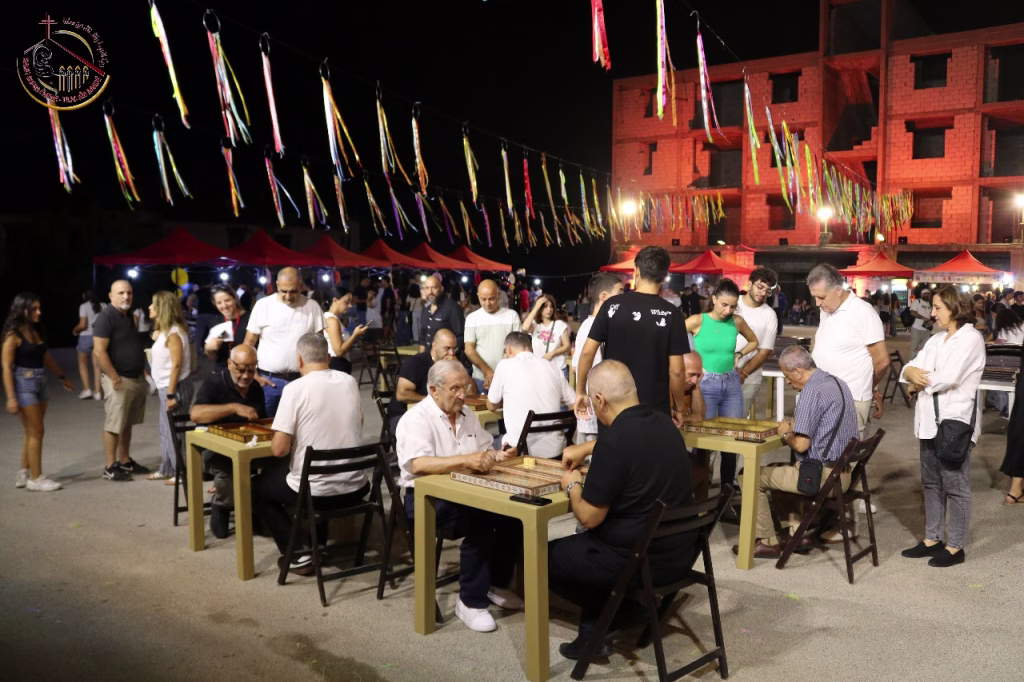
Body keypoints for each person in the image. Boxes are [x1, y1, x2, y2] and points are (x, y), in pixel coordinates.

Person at [550, 360, 696, 659]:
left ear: (600, 400)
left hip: (639, 562)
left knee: (541, 557)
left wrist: (572, 484)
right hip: (680, 553)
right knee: (589, 545)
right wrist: (589, 448)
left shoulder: (615, 441)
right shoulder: (665, 424)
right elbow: (631, 449)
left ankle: (619, 611)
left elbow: (589, 518)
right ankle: (598, 628)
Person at [396, 359, 523, 633]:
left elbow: (484, 449)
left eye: (464, 387)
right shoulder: (416, 419)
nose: (462, 395)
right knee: (482, 519)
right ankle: (469, 602)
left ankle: (494, 584)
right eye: (454, 389)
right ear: (433, 389)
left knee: (514, 515)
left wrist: (498, 454)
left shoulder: (467, 415)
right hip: (424, 500)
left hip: (465, 492)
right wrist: (466, 460)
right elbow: (418, 464)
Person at [252, 334, 370, 573]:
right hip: (356, 486)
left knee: (258, 487)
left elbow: (279, 449)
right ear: (328, 358)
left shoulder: (295, 389)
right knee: (305, 472)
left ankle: (297, 554)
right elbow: (359, 422)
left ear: (299, 359)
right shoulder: (349, 382)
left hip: (316, 493)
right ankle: (319, 542)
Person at [735, 346, 859, 558]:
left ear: (798, 371)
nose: (788, 382)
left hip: (821, 478)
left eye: (787, 376)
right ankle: (796, 533)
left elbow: (801, 446)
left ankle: (765, 541)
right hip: (844, 473)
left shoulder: (811, 392)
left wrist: (785, 433)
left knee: (748, 475)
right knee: (776, 469)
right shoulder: (837, 383)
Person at [899, 286, 985, 567]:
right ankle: (932, 539)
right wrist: (911, 372)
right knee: (931, 483)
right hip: (927, 423)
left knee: (955, 486)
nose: (932, 313)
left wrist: (917, 379)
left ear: (955, 307)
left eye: (938, 308)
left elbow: (948, 377)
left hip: (954, 424)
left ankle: (955, 546)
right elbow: (909, 368)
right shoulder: (936, 339)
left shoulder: (970, 339)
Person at [574, 246, 690, 426]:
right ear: (664, 276)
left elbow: (587, 352)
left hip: (613, 406)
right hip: (654, 408)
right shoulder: (672, 314)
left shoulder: (612, 306)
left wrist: (580, 391)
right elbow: (677, 371)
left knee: (614, 444)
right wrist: (679, 407)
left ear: (636, 271)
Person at [685, 278, 759, 492]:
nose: (728, 310)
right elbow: (670, 338)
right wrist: (686, 366)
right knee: (703, 441)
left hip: (731, 384)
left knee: (731, 440)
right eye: (724, 304)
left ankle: (726, 491)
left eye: (733, 306)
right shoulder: (696, 321)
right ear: (714, 299)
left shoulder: (737, 322)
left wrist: (739, 354)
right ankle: (699, 492)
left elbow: (754, 341)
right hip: (705, 384)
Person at [191, 344, 266, 538]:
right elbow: (196, 414)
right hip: (214, 451)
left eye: (251, 370)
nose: (246, 376)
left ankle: (257, 508)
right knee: (227, 471)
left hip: (246, 448)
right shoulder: (214, 382)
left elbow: (261, 422)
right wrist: (233, 408)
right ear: (229, 363)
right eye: (240, 369)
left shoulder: (255, 387)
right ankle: (222, 505)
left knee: (275, 465)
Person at [807, 264, 889, 438]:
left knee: (844, 451)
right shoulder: (826, 310)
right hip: (822, 395)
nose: (817, 303)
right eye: (814, 297)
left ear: (838, 290)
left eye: (821, 297)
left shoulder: (863, 312)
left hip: (850, 399)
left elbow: (881, 361)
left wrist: (870, 386)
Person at [3, 293, 72, 491]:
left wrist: (61, 376)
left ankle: (23, 473)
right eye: (33, 309)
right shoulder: (12, 335)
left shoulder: (36, 330)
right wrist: (11, 397)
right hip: (24, 385)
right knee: (37, 431)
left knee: (31, 431)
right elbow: (6, 367)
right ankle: (36, 478)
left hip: (41, 382)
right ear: (21, 310)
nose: (39, 312)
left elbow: (45, 356)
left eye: (39, 308)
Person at [244, 267, 325, 417]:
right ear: (277, 285)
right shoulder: (263, 306)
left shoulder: (312, 306)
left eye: (293, 291)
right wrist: (254, 376)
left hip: (302, 380)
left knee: (303, 425)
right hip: (269, 382)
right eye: (283, 291)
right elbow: (248, 343)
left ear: (301, 285)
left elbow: (319, 345)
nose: (288, 296)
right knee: (268, 425)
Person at [93, 280, 151, 481]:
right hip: (118, 380)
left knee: (126, 423)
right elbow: (99, 351)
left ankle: (125, 460)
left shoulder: (128, 316)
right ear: (111, 296)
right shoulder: (105, 318)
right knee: (114, 424)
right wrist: (114, 376)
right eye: (121, 293)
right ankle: (110, 467)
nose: (126, 296)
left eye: (129, 292)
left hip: (134, 377)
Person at [486, 332, 575, 458]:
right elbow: (574, 404)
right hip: (558, 450)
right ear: (531, 348)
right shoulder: (552, 366)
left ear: (509, 349)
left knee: (486, 442)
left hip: (521, 451)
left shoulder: (504, 365)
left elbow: (491, 405)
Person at [144, 291, 196, 483]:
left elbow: (177, 365)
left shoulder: (174, 334)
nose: (149, 307)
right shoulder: (167, 332)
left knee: (174, 432)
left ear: (162, 308)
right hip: (166, 386)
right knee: (165, 430)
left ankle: (181, 472)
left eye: (153, 304)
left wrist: (172, 394)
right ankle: (167, 468)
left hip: (174, 387)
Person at [572, 273, 624, 442]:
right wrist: (581, 393)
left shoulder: (600, 325)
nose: (623, 298)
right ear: (603, 296)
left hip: (601, 409)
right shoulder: (591, 326)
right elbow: (580, 365)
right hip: (593, 410)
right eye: (620, 292)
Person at [387, 328, 458, 435]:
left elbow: (469, 388)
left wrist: (457, 368)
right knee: (440, 431)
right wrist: (434, 402)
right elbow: (401, 395)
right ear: (434, 345)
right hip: (403, 416)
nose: (451, 353)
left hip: (434, 415)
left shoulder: (449, 365)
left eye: (454, 349)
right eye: (447, 348)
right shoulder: (416, 363)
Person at [735, 268, 780, 419]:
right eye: (760, 287)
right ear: (750, 284)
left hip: (748, 378)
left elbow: (764, 351)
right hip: (718, 373)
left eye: (767, 291)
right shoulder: (733, 303)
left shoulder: (769, 315)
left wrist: (743, 373)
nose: (763, 293)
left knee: (736, 421)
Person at [464, 279, 521, 392]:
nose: (487, 303)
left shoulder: (511, 316)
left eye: (491, 299)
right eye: (483, 299)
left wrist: (503, 371)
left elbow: (518, 348)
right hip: (481, 378)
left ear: (498, 295)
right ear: (478, 296)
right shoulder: (472, 318)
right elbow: (469, 349)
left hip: (507, 378)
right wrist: (486, 370)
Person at [197, 285, 251, 370]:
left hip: (245, 370)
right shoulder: (215, 322)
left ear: (235, 299)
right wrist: (208, 349)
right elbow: (213, 359)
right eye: (219, 303)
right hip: (222, 371)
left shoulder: (250, 319)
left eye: (227, 300)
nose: (224, 306)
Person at [522, 294, 571, 380]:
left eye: (551, 306)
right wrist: (536, 307)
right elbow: (525, 328)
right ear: (540, 308)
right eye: (545, 306)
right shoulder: (535, 325)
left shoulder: (559, 324)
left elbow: (567, 346)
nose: (549, 309)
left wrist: (552, 353)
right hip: (540, 369)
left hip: (558, 368)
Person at [323, 287, 368, 374]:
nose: (350, 305)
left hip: (340, 364)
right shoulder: (332, 320)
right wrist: (355, 335)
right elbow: (339, 351)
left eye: (351, 302)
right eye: (347, 302)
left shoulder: (335, 319)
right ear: (335, 300)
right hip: (336, 365)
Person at [72, 289, 105, 400]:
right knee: (97, 365)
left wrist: (75, 329)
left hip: (86, 336)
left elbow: (83, 325)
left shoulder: (84, 306)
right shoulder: (104, 306)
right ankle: (98, 392)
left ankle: (87, 390)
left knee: (82, 363)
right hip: (99, 336)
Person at [418, 275, 464, 354]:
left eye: (434, 287)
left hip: (446, 358)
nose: (430, 292)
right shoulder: (425, 309)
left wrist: (450, 354)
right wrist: (420, 358)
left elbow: (461, 336)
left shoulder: (452, 307)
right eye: (427, 288)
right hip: (428, 357)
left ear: (441, 289)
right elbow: (423, 340)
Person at [909, 288, 933, 360]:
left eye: (928, 294)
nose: (927, 295)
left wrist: (931, 321)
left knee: (925, 347)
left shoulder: (930, 304)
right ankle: (912, 362)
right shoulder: (917, 301)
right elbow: (912, 312)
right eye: (925, 294)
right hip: (917, 328)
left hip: (926, 329)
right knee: (914, 347)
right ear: (921, 295)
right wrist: (923, 318)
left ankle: (921, 362)